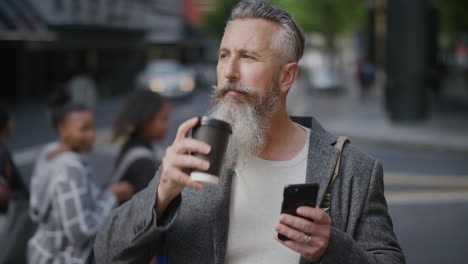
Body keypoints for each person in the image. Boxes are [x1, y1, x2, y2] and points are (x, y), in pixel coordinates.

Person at [95, 1, 405, 263]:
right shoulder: (193, 156)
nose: (229, 72)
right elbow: (108, 254)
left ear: (287, 76)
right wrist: (161, 193)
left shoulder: (352, 169)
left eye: (248, 57)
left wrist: (333, 249)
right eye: (224, 55)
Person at [28, 101, 134, 264]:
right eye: (83, 129)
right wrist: (112, 196)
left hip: (42, 253)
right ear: (62, 130)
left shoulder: (49, 152)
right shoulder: (70, 168)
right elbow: (80, 232)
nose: (92, 135)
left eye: (92, 127)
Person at [110, 90, 171, 197]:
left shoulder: (134, 144)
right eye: (163, 119)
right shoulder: (143, 164)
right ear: (146, 121)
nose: (167, 126)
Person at [0, 106, 35, 264]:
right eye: (11, 120)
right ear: (6, 124)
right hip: (8, 222)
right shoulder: (1, 152)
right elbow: (2, 194)